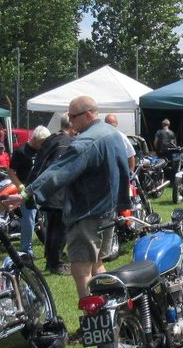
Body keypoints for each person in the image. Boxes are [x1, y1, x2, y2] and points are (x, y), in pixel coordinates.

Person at [8, 96, 130, 301]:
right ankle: (110, 315)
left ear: (89, 114)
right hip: (107, 210)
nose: (70, 121)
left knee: (80, 270)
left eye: (73, 116)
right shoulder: (113, 134)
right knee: (97, 263)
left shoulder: (86, 142)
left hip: (87, 213)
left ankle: (92, 324)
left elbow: (59, 171)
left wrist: (27, 194)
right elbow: (124, 169)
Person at [29, 115, 76, 275]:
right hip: (58, 191)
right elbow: (58, 168)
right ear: (72, 125)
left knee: (51, 228)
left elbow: (39, 165)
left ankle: (51, 259)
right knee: (59, 229)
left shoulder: (52, 139)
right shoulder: (66, 143)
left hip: (47, 191)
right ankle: (56, 263)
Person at [7, 125, 50, 257]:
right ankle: (26, 250)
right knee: (29, 220)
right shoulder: (21, 151)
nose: (43, 145)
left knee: (44, 218)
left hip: (41, 189)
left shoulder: (42, 150)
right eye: (42, 143)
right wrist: (20, 186)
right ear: (36, 139)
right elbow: (11, 171)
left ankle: (51, 247)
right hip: (26, 191)